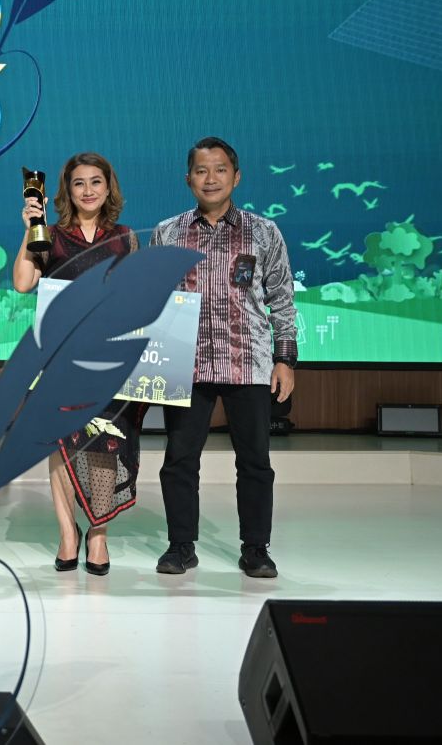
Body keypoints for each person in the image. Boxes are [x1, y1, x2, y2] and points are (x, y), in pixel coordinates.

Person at [150, 137, 297, 578]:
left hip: (248, 362)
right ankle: (181, 546)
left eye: (219, 169)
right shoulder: (168, 232)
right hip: (186, 363)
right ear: (188, 179)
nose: (210, 178)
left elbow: (282, 299)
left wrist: (285, 359)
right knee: (179, 460)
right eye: (201, 170)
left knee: (255, 462)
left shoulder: (264, 232)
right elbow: (153, 300)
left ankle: (256, 548)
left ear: (236, 176)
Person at [12, 152, 143, 576]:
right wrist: (29, 229)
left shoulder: (125, 237)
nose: (88, 190)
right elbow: (23, 283)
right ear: (67, 191)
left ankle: (98, 534)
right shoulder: (49, 235)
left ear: (108, 187)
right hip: (60, 359)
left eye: (95, 182)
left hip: (109, 359)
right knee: (64, 446)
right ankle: (68, 534)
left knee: (105, 443)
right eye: (78, 183)